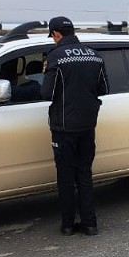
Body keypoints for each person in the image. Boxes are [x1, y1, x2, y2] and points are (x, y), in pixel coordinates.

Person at [41, 17, 109, 236]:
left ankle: (68, 225)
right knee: (84, 174)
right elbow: (104, 89)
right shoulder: (94, 55)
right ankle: (90, 224)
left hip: (64, 127)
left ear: (56, 34)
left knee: (66, 176)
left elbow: (47, 93)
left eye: (52, 36)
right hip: (87, 125)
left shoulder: (55, 56)